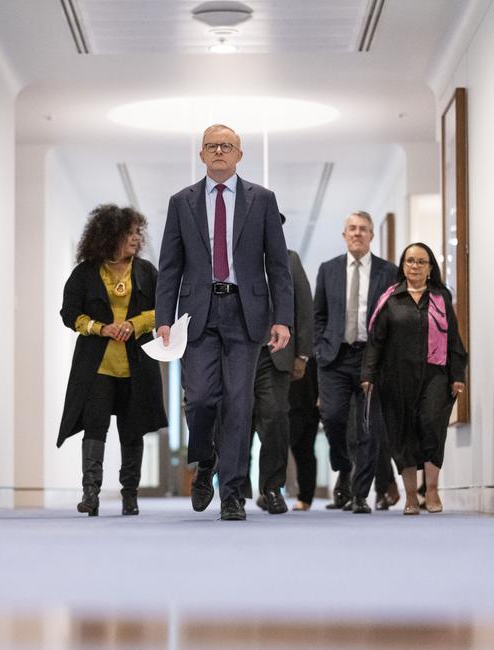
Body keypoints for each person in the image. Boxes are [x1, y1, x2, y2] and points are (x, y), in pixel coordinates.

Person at [155, 124, 293, 521]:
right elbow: (170, 266)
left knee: (238, 402)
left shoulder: (262, 200)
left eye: (226, 146)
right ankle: (205, 459)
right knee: (199, 399)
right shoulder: (181, 202)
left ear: (239, 155)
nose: (219, 151)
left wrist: (282, 318)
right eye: (211, 146)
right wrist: (164, 318)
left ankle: (232, 493)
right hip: (197, 312)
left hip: (246, 313)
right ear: (201, 155)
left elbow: (278, 266)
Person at [58, 204, 167, 517]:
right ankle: (90, 493)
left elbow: (164, 309)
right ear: (108, 237)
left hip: (136, 363)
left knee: (132, 430)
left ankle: (130, 494)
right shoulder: (85, 273)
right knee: (95, 426)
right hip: (97, 365)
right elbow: (69, 314)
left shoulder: (147, 271)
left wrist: (135, 324)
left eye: (137, 232)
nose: (135, 239)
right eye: (128, 233)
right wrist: (100, 327)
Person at [361, 242, 467, 515]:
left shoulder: (440, 297)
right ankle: (410, 496)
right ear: (403, 265)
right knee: (402, 432)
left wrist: (457, 375)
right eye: (410, 261)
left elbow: (453, 339)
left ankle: (431, 490)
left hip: (436, 375)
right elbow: (376, 342)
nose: (415, 266)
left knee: (432, 424)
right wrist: (368, 375)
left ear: (431, 267)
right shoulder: (390, 298)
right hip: (395, 377)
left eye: (421, 261)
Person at [313, 211, 397, 514]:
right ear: (344, 234)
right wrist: (320, 349)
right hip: (335, 357)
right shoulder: (328, 270)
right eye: (352, 228)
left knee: (368, 428)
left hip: (370, 359)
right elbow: (318, 314)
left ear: (372, 235)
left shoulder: (388, 272)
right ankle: (344, 468)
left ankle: (361, 494)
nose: (357, 233)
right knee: (333, 418)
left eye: (363, 229)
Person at [253, 214, 313, 514]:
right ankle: (235, 490)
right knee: (236, 421)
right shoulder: (231, 262)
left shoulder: (290, 260)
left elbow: (304, 308)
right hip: (239, 354)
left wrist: (302, 355)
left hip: (276, 355)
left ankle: (272, 488)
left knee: (276, 418)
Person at [288, 358, 320, 511]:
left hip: (309, 387)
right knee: (276, 442)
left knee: (304, 447)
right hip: (282, 383)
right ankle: (270, 489)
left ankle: (306, 496)